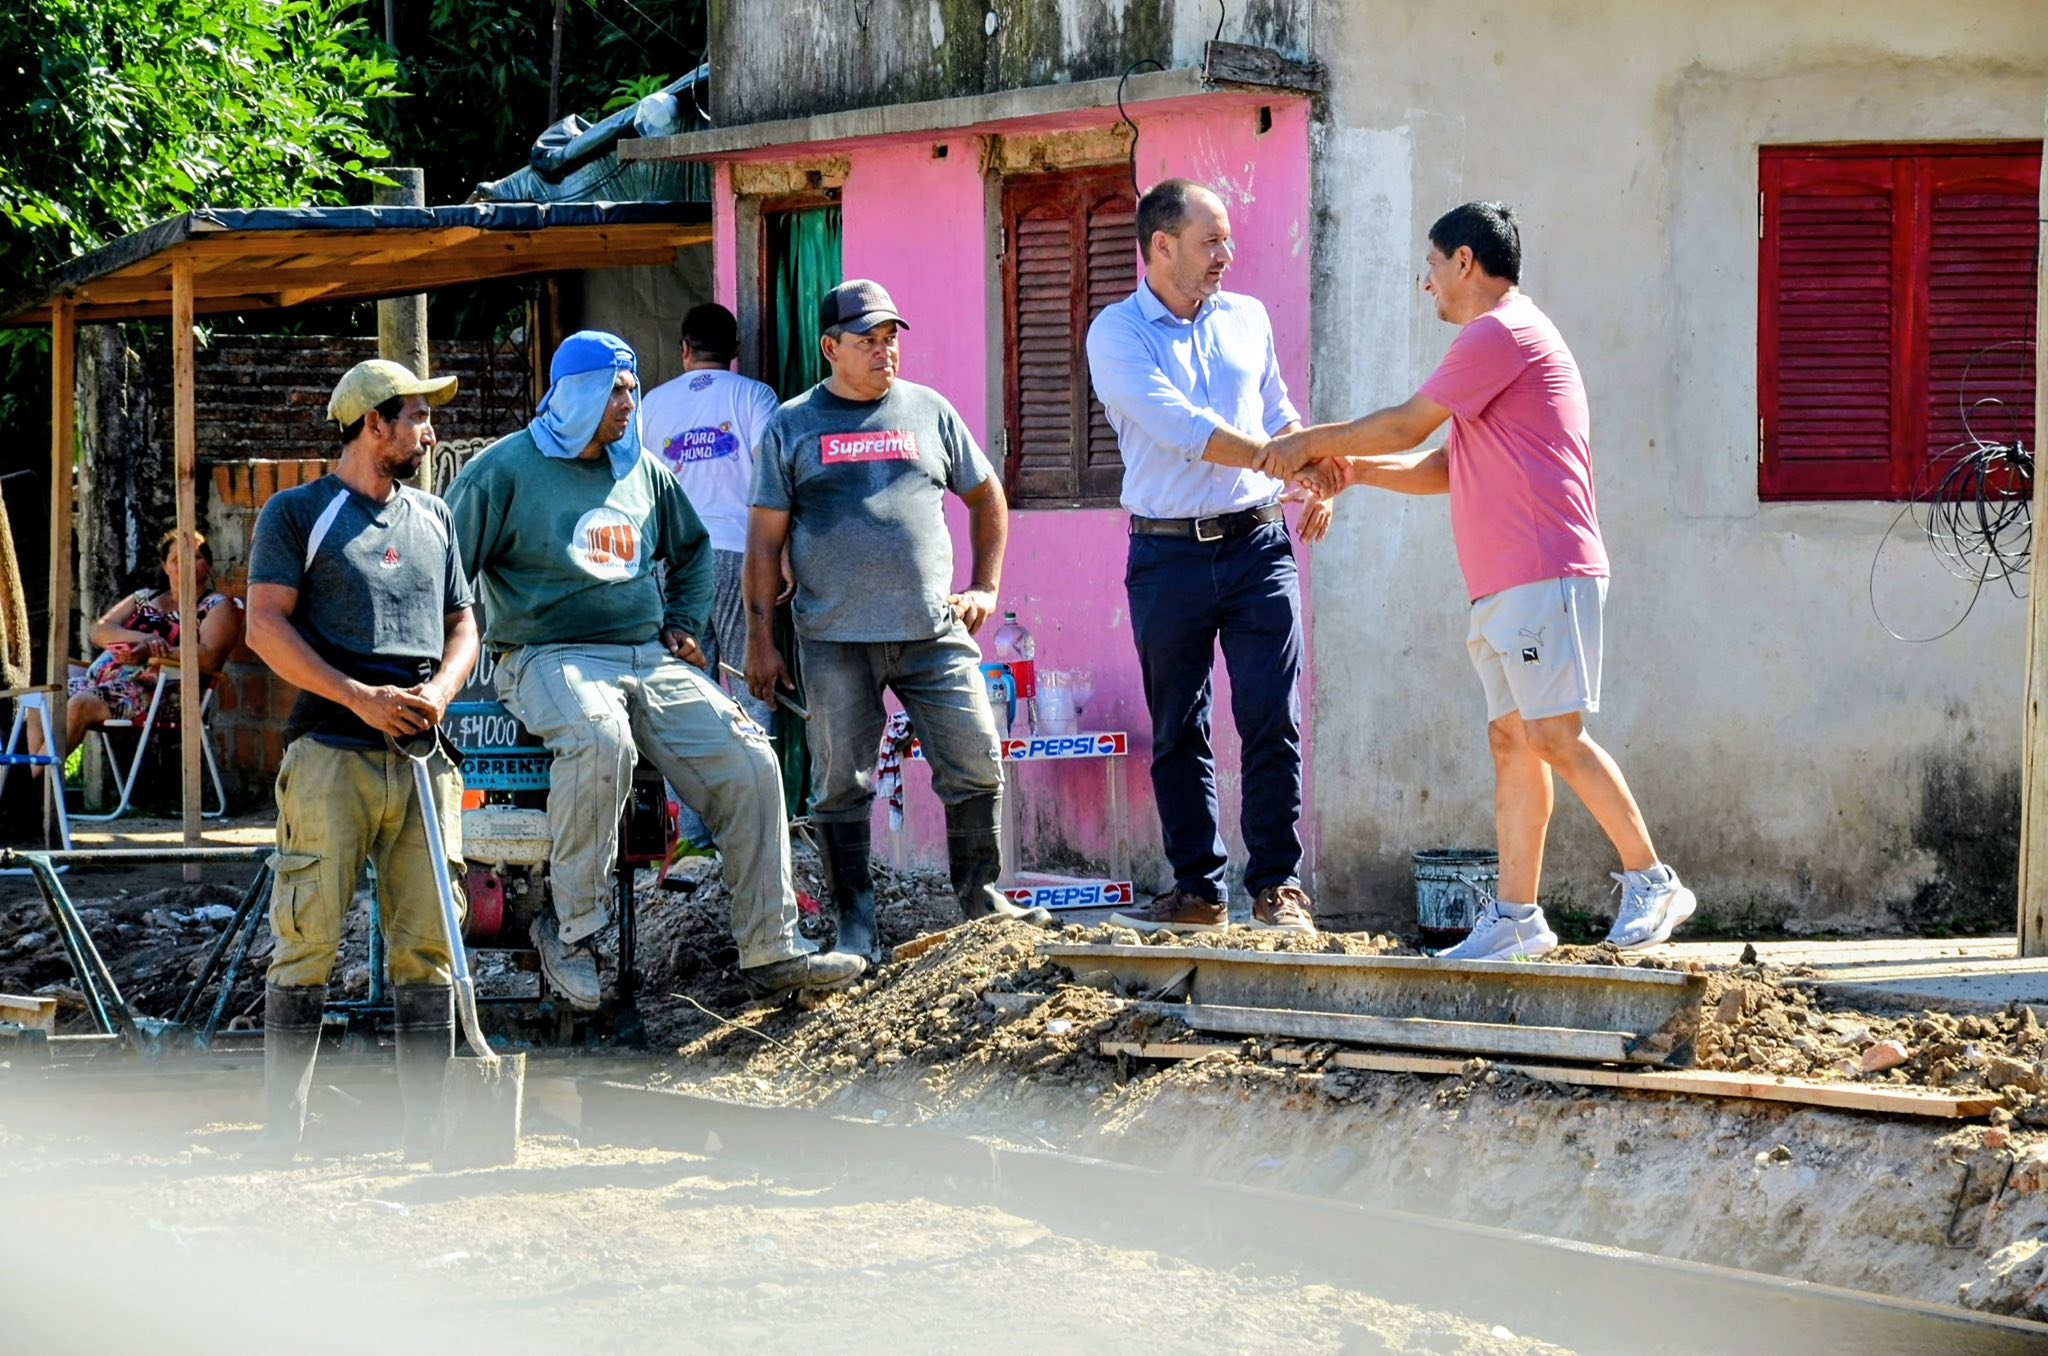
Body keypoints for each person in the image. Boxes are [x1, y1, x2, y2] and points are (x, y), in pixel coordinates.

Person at [1259, 201, 1695, 958]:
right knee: (1513, 742)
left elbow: (1406, 425)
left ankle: (1653, 878)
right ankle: (1518, 918)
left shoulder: (1503, 332)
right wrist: (1350, 472)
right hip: (1504, 582)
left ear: (1465, 261)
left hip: (1541, 570)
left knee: (1553, 734)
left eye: (1430, 267)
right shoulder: (1490, 347)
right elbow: (1441, 467)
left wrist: (1304, 445)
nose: (1425, 284)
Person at [445, 331, 864, 1008]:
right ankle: (571, 927)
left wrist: (680, 623)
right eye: (614, 389)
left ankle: (771, 946)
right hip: (546, 657)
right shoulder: (504, 471)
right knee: (599, 737)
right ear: (573, 393)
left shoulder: (639, 467)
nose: (628, 403)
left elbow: (693, 549)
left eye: (632, 389)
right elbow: (446, 570)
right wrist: (442, 659)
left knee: (752, 759)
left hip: (644, 655)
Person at [744, 279, 1050, 963]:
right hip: (833, 639)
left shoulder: (929, 412)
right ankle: (857, 925)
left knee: (975, 753)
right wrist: (761, 642)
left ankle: (979, 899)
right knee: (840, 780)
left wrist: (985, 586)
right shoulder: (792, 426)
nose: (885, 353)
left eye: (890, 340)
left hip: (932, 632)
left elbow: (985, 494)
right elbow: (764, 542)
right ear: (830, 348)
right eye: (867, 342)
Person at [244, 359, 478, 1160]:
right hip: (330, 753)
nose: (429, 429)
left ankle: (428, 1135)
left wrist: (440, 694)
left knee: (430, 943)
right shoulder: (296, 513)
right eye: (416, 415)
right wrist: (357, 697)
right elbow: (264, 629)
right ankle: (285, 1136)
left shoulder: (435, 518)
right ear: (373, 423)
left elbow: (465, 625)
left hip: (423, 757)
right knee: (307, 935)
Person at [1084, 178, 1330, 937]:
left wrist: (1312, 467)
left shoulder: (1248, 318)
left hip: (1259, 544)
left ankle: (1278, 889)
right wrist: (1275, 457)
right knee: (1180, 724)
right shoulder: (1117, 334)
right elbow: (1177, 423)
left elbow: (1276, 411)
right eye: (1210, 242)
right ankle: (1198, 890)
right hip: (1168, 556)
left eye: (1225, 240)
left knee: (1271, 718)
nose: (1228, 255)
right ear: (1162, 247)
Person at [640, 302, 784, 733]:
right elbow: (773, 479)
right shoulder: (755, 396)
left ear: (685, 349)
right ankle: (756, 795)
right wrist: (786, 553)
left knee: (682, 693)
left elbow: (638, 489)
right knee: (750, 685)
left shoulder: (650, 404)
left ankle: (686, 803)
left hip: (676, 563)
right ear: (735, 349)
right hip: (743, 556)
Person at [31, 530, 243, 765]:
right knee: (39, 700)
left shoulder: (216, 606)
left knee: (79, 704)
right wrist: (143, 639)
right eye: (176, 559)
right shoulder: (144, 597)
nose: (186, 564)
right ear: (165, 567)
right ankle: (42, 789)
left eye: (196, 557)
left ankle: (28, 783)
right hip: (102, 683)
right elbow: (99, 630)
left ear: (209, 564)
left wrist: (151, 652)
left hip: (158, 693)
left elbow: (209, 656)